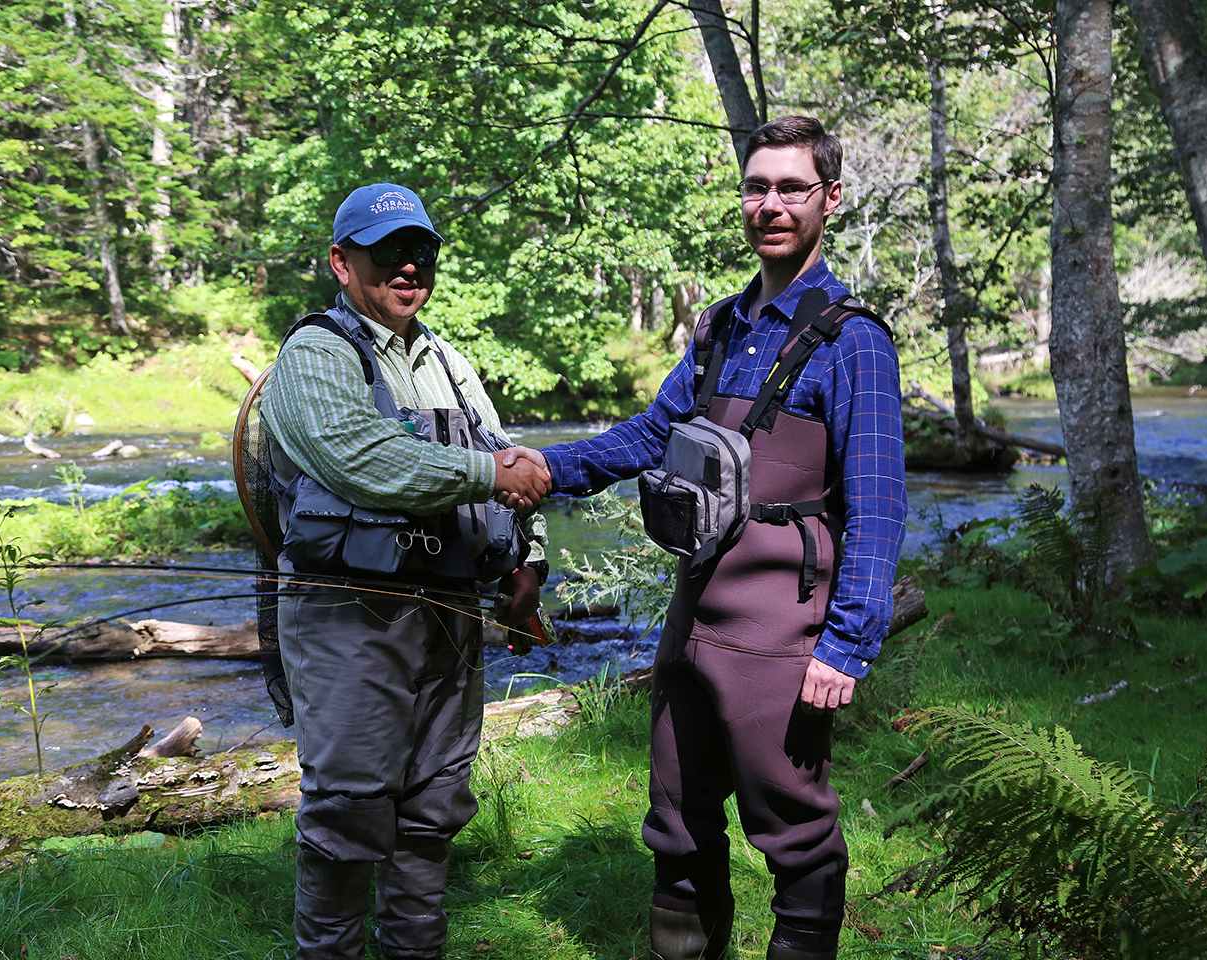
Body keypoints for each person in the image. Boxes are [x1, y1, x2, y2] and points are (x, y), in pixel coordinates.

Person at [527, 116, 907, 960]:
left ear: (829, 200)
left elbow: (879, 512)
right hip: (692, 619)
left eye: (791, 188)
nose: (770, 204)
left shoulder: (853, 343)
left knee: (795, 836)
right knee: (677, 822)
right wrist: (536, 468)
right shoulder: (720, 329)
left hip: (783, 629)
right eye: (756, 186)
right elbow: (645, 438)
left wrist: (846, 647)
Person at [260, 182, 551, 960]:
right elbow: (363, 461)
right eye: (387, 252)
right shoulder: (316, 351)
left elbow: (511, 455)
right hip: (349, 615)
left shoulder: (447, 361)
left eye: (420, 251)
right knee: (351, 811)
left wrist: (529, 559)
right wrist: (493, 475)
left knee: (433, 806)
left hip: (450, 611)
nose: (408, 266)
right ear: (341, 262)